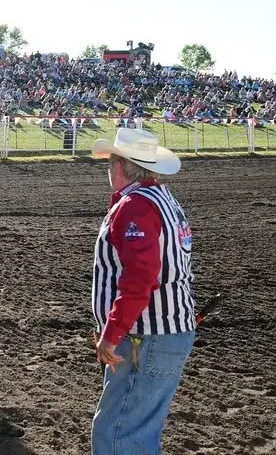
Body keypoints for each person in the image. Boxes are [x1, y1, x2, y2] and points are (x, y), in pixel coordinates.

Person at [89, 127, 197, 455]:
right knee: (136, 430)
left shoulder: (135, 205)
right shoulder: (163, 199)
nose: (109, 170)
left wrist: (110, 334)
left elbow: (139, 278)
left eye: (111, 163)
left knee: (118, 435)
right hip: (167, 329)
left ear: (121, 166)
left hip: (144, 336)